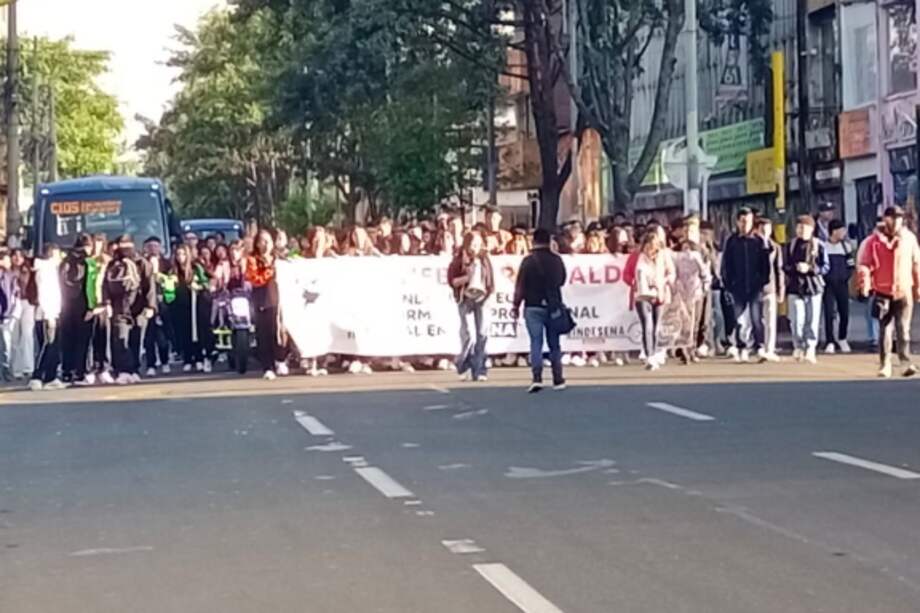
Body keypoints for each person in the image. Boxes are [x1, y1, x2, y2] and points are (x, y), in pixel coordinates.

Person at [857, 206, 920, 378]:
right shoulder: (873, 241)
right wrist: (865, 283)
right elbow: (865, 264)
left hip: (904, 289)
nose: (896, 221)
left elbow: (916, 263)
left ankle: (905, 362)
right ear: (885, 219)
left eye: (899, 218)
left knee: (903, 329)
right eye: (892, 217)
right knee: (885, 329)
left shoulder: (909, 239)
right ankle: (885, 364)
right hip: (882, 290)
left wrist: (918, 286)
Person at [512, 228, 567, 393]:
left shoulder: (528, 261)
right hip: (553, 306)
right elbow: (562, 280)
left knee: (536, 342)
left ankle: (537, 378)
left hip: (532, 305)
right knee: (554, 343)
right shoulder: (557, 260)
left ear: (533, 241)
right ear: (549, 241)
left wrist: (516, 305)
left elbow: (520, 286)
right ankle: (558, 378)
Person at [102, 235, 155, 385]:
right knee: (120, 338)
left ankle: (134, 370)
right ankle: (123, 370)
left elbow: (149, 285)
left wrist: (150, 306)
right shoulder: (113, 264)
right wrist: (107, 303)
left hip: (138, 307)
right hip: (119, 307)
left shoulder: (142, 263)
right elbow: (105, 285)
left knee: (136, 340)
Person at [721, 207, 770, 362]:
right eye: (742, 221)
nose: (745, 224)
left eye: (748, 221)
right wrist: (728, 283)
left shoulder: (758, 240)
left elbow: (765, 263)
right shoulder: (732, 241)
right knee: (739, 319)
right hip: (737, 286)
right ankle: (742, 346)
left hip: (755, 286)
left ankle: (760, 346)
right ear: (737, 222)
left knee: (757, 317)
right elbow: (726, 264)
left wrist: (763, 280)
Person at [448, 231, 494, 382]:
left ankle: (480, 369)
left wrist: (488, 292)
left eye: (478, 244)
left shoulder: (484, 259)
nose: (475, 247)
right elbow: (452, 281)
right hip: (466, 298)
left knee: (482, 333)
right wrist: (467, 278)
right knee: (467, 334)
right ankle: (463, 365)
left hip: (481, 298)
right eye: (473, 244)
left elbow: (490, 280)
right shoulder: (459, 259)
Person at [784, 216, 829, 364]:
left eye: (805, 227)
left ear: (812, 229)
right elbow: (784, 265)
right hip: (795, 287)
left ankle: (810, 348)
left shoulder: (819, 245)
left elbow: (826, 267)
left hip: (813, 287)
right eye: (799, 227)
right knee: (796, 320)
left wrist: (810, 268)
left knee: (812, 319)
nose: (802, 230)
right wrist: (794, 268)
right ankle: (798, 346)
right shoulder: (790, 245)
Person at [246, 230, 289, 380]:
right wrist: (271, 271)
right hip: (263, 300)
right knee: (264, 334)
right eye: (262, 241)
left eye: (268, 241)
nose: (266, 244)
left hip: (280, 299)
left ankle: (281, 359)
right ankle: (267, 366)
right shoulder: (252, 260)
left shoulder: (279, 258)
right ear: (257, 243)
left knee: (280, 331)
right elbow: (255, 279)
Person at [633, 231, 673, 371]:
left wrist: (663, 282)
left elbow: (671, 273)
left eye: (653, 246)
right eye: (648, 246)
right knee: (647, 325)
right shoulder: (641, 259)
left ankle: (655, 352)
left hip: (660, 295)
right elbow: (640, 276)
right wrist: (649, 287)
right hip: (643, 296)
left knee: (656, 327)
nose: (650, 249)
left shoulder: (663, 256)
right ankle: (649, 355)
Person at [58, 235, 95, 385]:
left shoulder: (63, 263)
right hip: (83, 305)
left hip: (65, 306)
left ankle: (67, 371)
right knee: (83, 340)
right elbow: (92, 287)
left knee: (67, 340)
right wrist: (92, 307)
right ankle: (80, 372)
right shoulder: (89, 263)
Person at [30, 244, 66, 391]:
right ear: (52, 254)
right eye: (58, 254)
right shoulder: (45, 270)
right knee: (46, 345)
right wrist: (49, 314)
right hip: (46, 314)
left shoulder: (51, 270)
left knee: (53, 347)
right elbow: (44, 294)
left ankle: (50, 377)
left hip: (53, 312)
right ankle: (37, 376)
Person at [822, 219, 854, 354]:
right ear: (834, 231)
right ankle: (830, 341)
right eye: (841, 230)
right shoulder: (823, 246)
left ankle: (842, 338)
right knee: (829, 313)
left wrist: (846, 277)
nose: (844, 233)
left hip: (842, 284)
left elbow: (851, 265)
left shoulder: (846, 246)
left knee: (844, 313)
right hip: (828, 285)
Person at [143, 237, 174, 376]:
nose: (153, 249)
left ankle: (165, 361)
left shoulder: (167, 263)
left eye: (156, 246)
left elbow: (172, 280)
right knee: (149, 336)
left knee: (162, 336)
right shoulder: (142, 262)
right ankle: (151, 364)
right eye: (150, 246)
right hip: (146, 303)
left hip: (162, 303)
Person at [755, 218, 784, 362]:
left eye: (768, 229)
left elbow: (779, 270)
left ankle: (769, 348)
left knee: (771, 320)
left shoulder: (775, 247)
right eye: (762, 229)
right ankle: (758, 345)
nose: (765, 232)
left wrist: (781, 289)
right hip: (755, 288)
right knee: (757, 320)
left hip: (771, 287)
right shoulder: (752, 245)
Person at [9, 249, 35, 381]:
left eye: (20, 255)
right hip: (13, 304)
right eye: (14, 255)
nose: (17, 258)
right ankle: (16, 369)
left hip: (27, 302)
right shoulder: (7, 271)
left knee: (27, 335)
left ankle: (28, 367)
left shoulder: (29, 269)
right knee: (14, 337)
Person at [0, 248, 21, 381]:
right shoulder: (6, 275)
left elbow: (13, 292)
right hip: (5, 313)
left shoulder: (10, 275)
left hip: (6, 313)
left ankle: (5, 369)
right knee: (5, 343)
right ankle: (5, 369)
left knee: (6, 343)